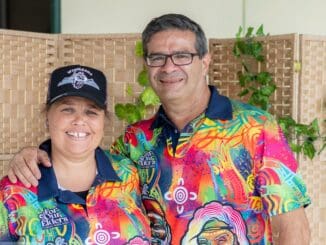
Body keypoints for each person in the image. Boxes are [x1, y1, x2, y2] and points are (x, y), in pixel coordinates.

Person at [7, 14, 311, 244]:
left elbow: (291, 225)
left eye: (182, 55)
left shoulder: (256, 128)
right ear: (147, 65)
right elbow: (82, 163)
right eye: (157, 57)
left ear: (205, 61)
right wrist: (35, 155)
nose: (168, 67)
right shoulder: (135, 140)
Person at [0, 65, 151, 244]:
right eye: (68, 110)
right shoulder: (13, 193)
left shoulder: (129, 175)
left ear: (104, 120)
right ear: (47, 116)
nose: (79, 120)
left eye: (91, 111)